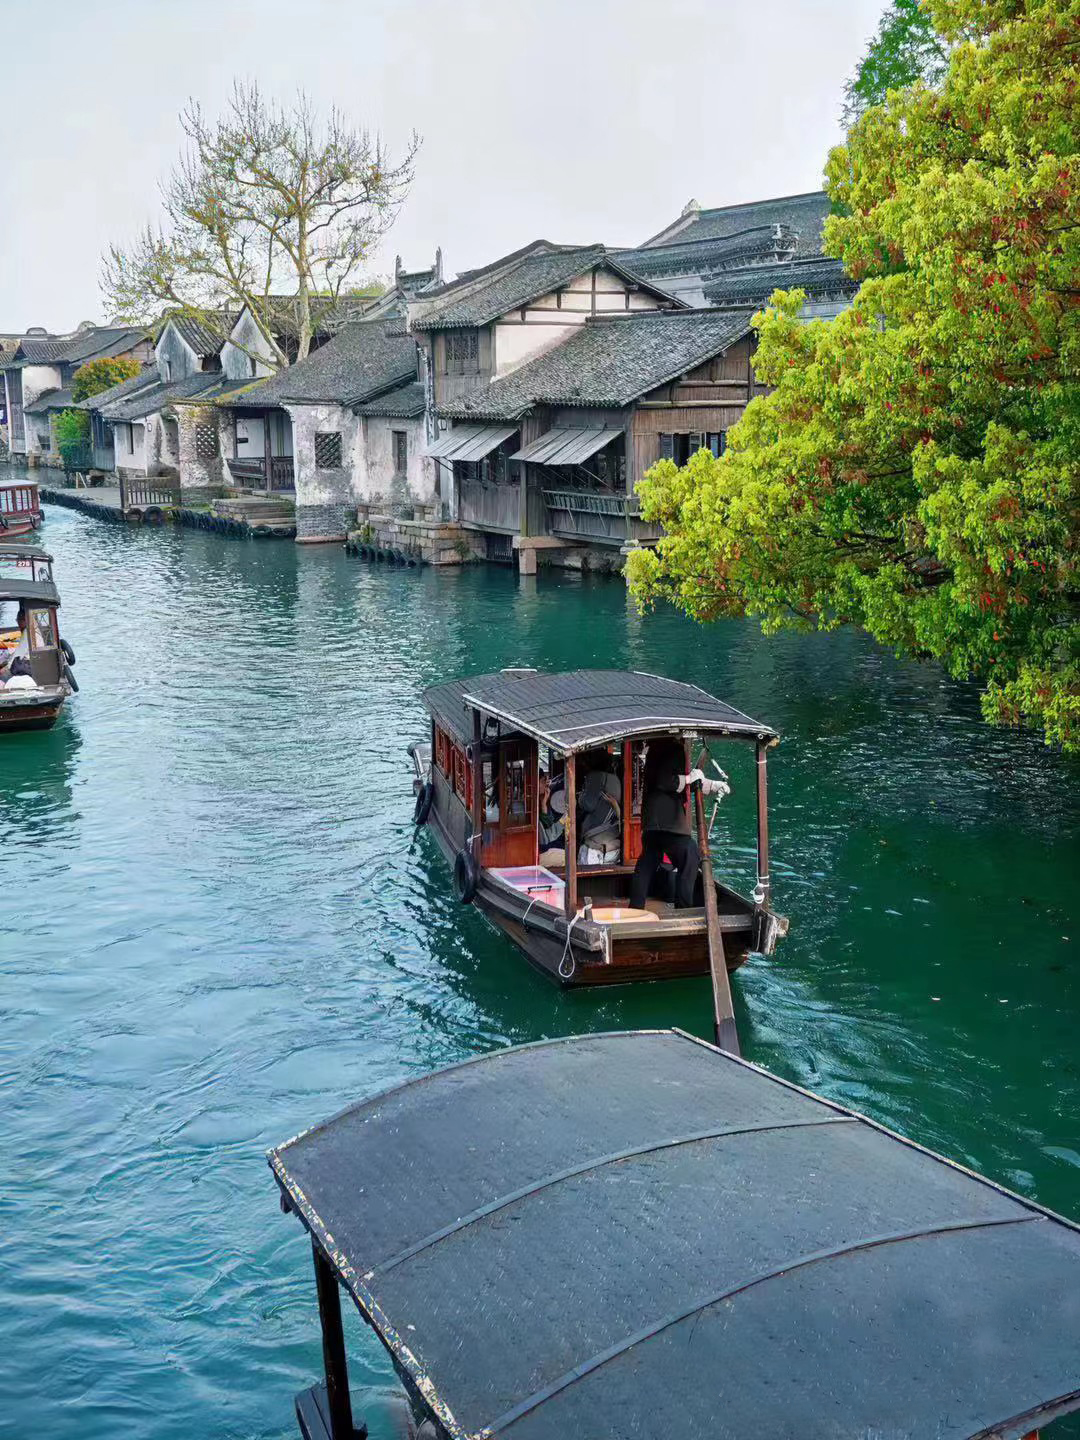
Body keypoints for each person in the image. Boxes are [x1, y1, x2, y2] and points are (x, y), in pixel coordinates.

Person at [629, 739, 729, 910]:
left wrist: (712, 785)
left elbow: (681, 780)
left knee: (648, 861)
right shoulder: (673, 748)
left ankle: (635, 907)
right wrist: (690, 778)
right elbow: (667, 781)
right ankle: (684, 909)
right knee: (690, 855)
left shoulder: (656, 748)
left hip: (652, 822)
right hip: (667, 823)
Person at [538, 770, 566, 868]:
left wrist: (543, 804)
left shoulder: (537, 801)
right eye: (542, 781)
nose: (546, 784)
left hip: (543, 846)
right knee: (568, 857)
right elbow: (550, 834)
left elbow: (547, 825)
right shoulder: (533, 802)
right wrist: (565, 819)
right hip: (540, 852)